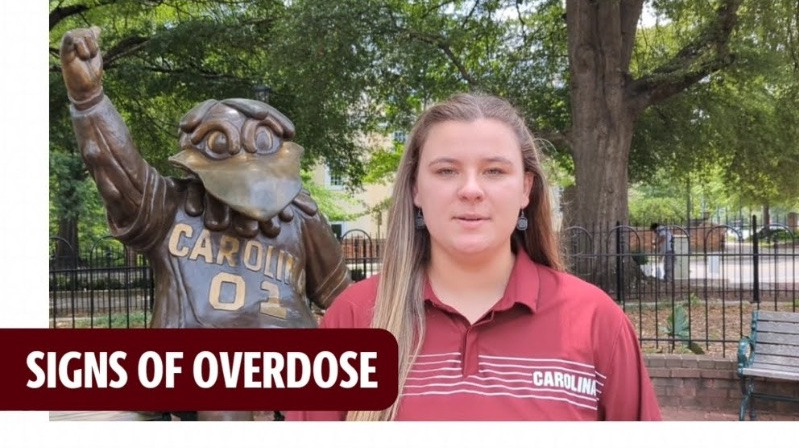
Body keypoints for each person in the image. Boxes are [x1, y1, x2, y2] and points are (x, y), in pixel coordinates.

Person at [285, 93, 661, 421]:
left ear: (526, 188)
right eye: (447, 171)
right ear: (416, 187)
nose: (470, 190)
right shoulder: (352, 319)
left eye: (494, 171)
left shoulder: (597, 323)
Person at [59, 27, 351, 421]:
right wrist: (89, 100)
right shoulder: (170, 205)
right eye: (222, 143)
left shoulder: (300, 216)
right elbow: (118, 170)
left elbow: (344, 300)